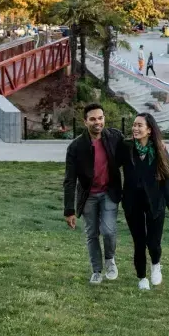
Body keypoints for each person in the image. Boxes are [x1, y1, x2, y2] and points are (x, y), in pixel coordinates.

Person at [63, 103, 124, 284]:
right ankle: (96, 270)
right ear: (85, 122)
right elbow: (69, 180)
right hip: (88, 195)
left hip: (109, 192)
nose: (97, 122)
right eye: (93, 119)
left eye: (100, 118)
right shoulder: (75, 147)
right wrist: (69, 210)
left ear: (104, 119)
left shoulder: (115, 137)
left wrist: (156, 142)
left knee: (108, 230)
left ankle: (110, 260)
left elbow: (134, 147)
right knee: (92, 234)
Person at [119, 113, 169, 290]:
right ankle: (141, 277)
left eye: (139, 126)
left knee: (153, 242)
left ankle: (156, 266)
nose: (135, 128)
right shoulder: (126, 147)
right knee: (139, 241)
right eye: (134, 125)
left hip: (155, 201)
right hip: (132, 201)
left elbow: (166, 178)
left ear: (149, 130)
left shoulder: (159, 149)